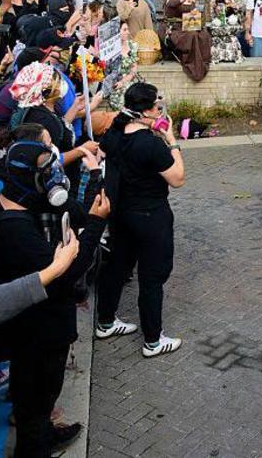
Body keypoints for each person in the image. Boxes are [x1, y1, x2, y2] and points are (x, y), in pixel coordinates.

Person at [0, 131, 106, 457]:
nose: (54, 176)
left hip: (46, 322)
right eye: (46, 171)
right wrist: (95, 225)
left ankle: (44, 433)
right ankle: (35, 446)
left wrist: (94, 180)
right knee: (36, 402)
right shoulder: (14, 230)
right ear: (29, 178)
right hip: (37, 330)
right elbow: (66, 274)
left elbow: (75, 211)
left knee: (42, 398)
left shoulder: (25, 196)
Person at [97, 83, 185, 358]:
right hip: (150, 216)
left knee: (117, 266)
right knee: (152, 277)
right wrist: (172, 141)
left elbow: (105, 152)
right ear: (147, 111)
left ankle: (106, 321)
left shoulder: (113, 133)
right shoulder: (150, 143)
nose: (160, 110)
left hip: (120, 212)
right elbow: (178, 178)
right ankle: (152, 340)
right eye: (157, 107)